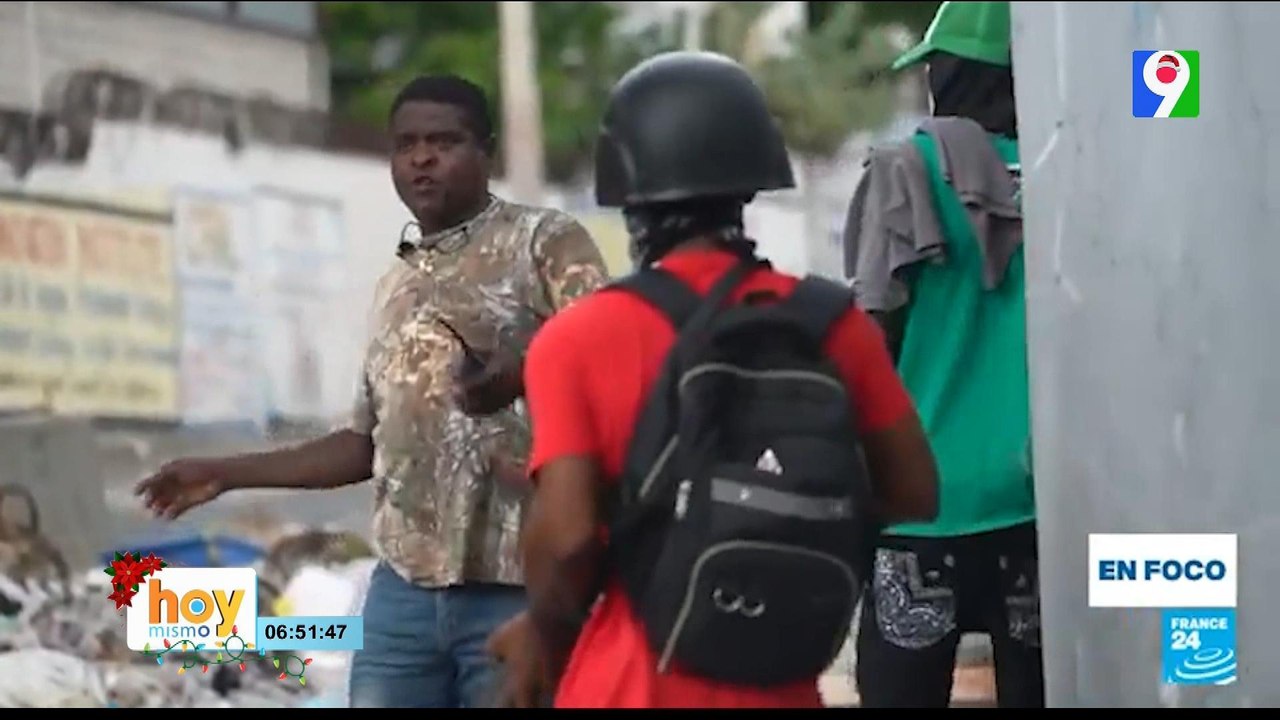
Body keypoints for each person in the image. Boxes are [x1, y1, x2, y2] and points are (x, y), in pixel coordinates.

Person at [134, 74, 610, 708]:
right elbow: (364, 445)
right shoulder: (396, 286)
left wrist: (522, 366)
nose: (422, 158)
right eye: (406, 143)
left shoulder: (544, 242)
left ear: (485, 151)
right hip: (403, 599)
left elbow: (606, 354)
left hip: (516, 590)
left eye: (445, 141)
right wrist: (225, 472)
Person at [485, 51, 939, 709]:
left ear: (627, 190)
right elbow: (916, 492)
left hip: (634, 684)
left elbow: (569, 538)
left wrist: (544, 634)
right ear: (751, 184)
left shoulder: (578, 338)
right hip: (781, 684)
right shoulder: (831, 324)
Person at [842, 1, 1044, 709]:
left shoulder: (906, 169)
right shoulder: (1073, 174)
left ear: (950, 72)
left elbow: (867, 342)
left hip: (920, 501)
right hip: (1042, 503)